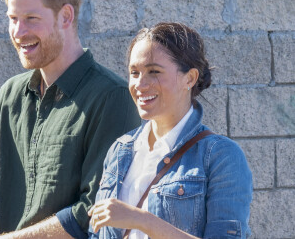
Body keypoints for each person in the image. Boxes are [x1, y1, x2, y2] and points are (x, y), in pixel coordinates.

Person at [0, 0, 140, 238]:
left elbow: (94, 211)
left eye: (31, 19)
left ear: (65, 16)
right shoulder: (9, 96)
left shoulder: (113, 98)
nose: (18, 32)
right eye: (13, 18)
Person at [88, 22, 253, 239]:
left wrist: (142, 220)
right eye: (134, 72)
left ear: (190, 78)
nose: (140, 84)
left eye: (154, 72)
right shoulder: (120, 150)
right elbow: (95, 233)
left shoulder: (221, 156)